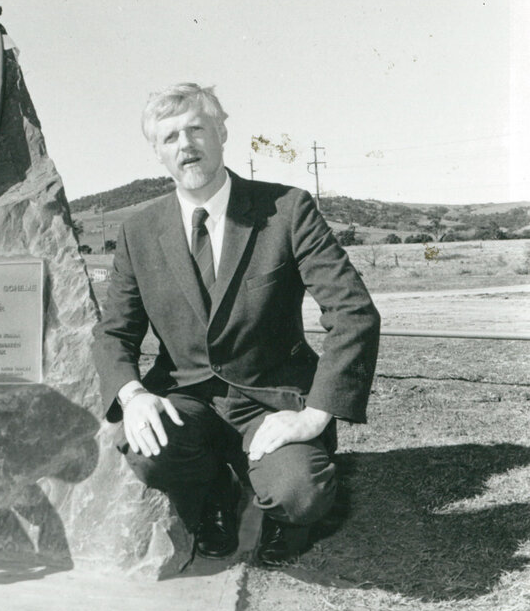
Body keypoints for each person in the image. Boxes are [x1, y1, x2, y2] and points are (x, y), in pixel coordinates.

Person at [92, 83, 380, 566]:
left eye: (196, 129)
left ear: (222, 132)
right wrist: (134, 396)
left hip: (272, 397)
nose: (185, 145)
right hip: (187, 399)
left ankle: (277, 510)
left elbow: (353, 312)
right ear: (158, 153)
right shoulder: (138, 231)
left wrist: (315, 414)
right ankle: (212, 497)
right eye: (170, 138)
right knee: (143, 447)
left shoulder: (286, 210)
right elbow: (113, 332)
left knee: (299, 493)